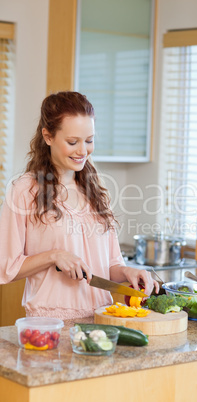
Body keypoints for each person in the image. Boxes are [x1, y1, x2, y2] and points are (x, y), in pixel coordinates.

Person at [0, 91, 159, 319]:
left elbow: (110, 265)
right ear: (48, 137)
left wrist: (127, 271)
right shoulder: (24, 190)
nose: (83, 151)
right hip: (51, 323)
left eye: (89, 140)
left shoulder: (96, 190)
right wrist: (53, 256)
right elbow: (6, 267)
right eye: (72, 142)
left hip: (102, 319)